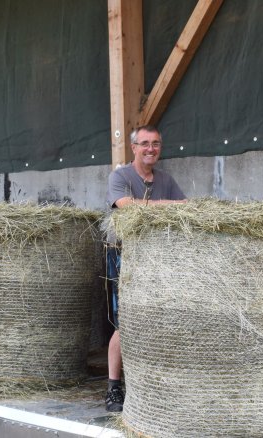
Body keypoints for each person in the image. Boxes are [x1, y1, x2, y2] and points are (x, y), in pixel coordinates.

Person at [104, 124, 186, 412]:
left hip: (158, 259)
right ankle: (114, 387)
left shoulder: (165, 178)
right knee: (124, 322)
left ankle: (150, 383)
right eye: (145, 144)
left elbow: (186, 207)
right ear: (134, 148)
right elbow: (128, 206)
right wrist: (166, 205)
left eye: (156, 144)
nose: (151, 149)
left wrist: (162, 206)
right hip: (125, 256)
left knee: (156, 317)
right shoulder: (121, 176)